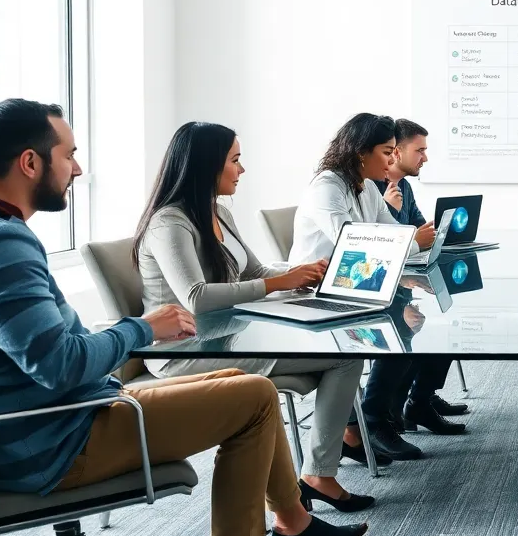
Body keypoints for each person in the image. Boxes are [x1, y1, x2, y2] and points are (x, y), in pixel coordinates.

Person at [0, 100, 365, 536]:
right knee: (253, 399)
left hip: (35, 429)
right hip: (58, 442)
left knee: (254, 391)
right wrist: (141, 327)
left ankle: (292, 525)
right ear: (30, 162)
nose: (78, 168)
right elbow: (61, 365)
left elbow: (41, 349)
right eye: (68, 155)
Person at [135, 121, 385, 514]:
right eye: (235, 160)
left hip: (229, 336)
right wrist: (278, 284)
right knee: (346, 354)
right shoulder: (169, 223)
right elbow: (196, 298)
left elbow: (252, 272)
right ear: (206, 166)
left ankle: (321, 469)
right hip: (187, 351)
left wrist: (300, 273)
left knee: (342, 343)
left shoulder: (218, 213)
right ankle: (319, 474)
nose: (242, 169)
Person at [292, 113, 436, 461]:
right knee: (400, 320)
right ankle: (371, 420)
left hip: (356, 283)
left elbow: (392, 236)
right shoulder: (327, 187)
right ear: (360, 153)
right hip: (315, 291)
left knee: (416, 317)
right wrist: (409, 241)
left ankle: (371, 419)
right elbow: (353, 246)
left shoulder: (368, 187)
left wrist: (405, 241)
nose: (392, 159)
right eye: (387, 151)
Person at [371, 118, 468, 435]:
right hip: (381, 287)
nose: (425, 157)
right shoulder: (372, 189)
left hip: (404, 281)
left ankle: (420, 398)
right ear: (396, 152)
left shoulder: (405, 188)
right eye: (420, 150)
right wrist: (415, 237)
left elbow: (421, 233)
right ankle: (409, 405)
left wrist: (433, 238)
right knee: (427, 322)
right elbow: (379, 243)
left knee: (449, 313)